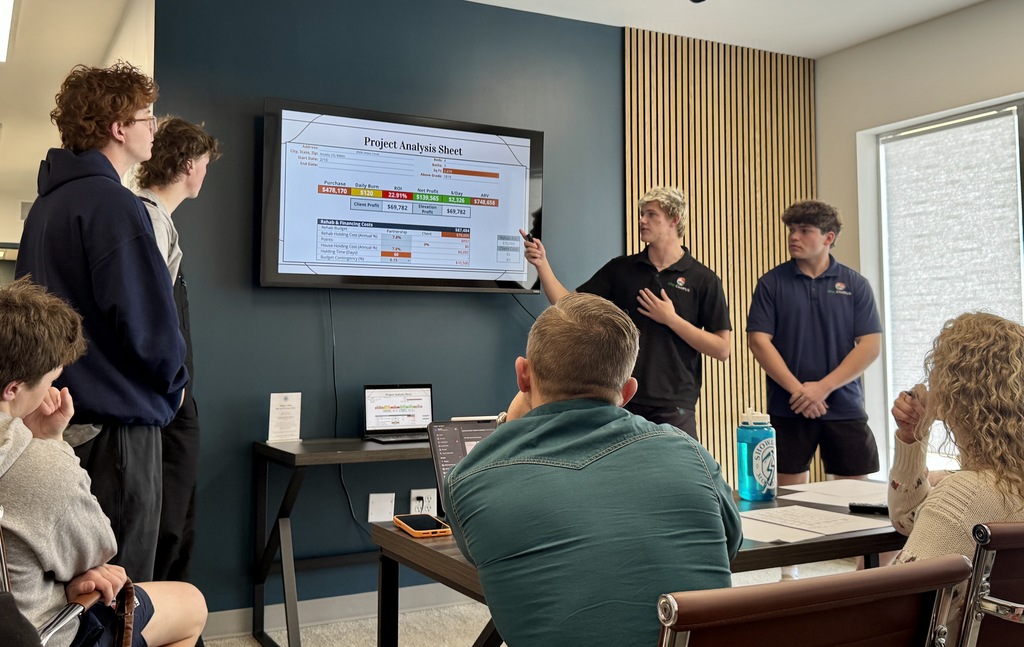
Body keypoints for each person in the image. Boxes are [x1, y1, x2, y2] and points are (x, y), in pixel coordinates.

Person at [444, 292, 742, 647]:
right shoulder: (692, 454)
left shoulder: (469, 479)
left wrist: (510, 426)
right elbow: (729, 545)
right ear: (628, 391)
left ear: (523, 376)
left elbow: (482, 553)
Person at [15, 61, 188, 582]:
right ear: (118, 128)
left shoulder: (47, 207)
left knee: (79, 588)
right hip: (118, 434)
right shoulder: (114, 205)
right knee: (124, 592)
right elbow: (148, 324)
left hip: (62, 423)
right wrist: (175, 385)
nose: (154, 128)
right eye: (148, 117)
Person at [0, 278, 206, 647]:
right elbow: (98, 550)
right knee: (191, 604)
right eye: (49, 380)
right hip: (37, 632)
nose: (50, 392)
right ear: (13, 389)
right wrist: (52, 442)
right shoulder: (38, 465)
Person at [522, 186, 731, 438]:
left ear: (675, 219)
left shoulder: (703, 279)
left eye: (651, 214)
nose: (642, 220)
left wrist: (671, 319)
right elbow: (568, 303)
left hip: (675, 406)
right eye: (641, 214)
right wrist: (542, 264)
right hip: (622, 399)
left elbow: (722, 349)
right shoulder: (621, 269)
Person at [888, 312, 1024, 643]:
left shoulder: (965, 494)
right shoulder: (1002, 483)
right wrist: (912, 438)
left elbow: (895, 613)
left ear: (954, 396)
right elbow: (910, 519)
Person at [135, 117, 220, 583]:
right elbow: (148, 314)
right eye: (204, 163)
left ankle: (178, 619)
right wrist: (174, 385)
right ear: (188, 164)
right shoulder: (147, 218)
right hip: (166, 401)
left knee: (181, 511)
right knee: (167, 520)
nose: (205, 173)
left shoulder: (160, 221)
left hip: (172, 396)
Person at [747, 200, 882, 486]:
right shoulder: (771, 284)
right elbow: (758, 341)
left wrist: (823, 388)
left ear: (828, 238)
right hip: (788, 407)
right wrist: (800, 392)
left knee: (855, 500)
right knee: (789, 505)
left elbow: (870, 344)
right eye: (791, 230)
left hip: (845, 407)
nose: (794, 237)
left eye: (805, 230)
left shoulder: (855, 284)